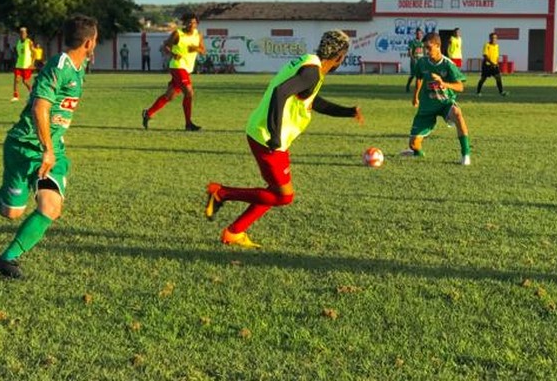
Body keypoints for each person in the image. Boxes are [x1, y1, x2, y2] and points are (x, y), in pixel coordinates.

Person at [0, 15, 99, 279]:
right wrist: (47, 149)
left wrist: (53, 148)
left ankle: (6, 260)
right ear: (90, 42)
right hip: (23, 146)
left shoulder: (79, 68)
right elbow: (40, 106)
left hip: (52, 149)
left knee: (50, 208)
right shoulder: (59, 66)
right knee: (11, 211)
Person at [203, 31, 363, 248]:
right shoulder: (312, 73)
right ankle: (221, 193)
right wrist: (275, 134)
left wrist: (348, 112)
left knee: (275, 191)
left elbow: (313, 101)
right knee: (284, 196)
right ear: (340, 57)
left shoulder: (310, 65)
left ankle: (234, 232)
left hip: (268, 136)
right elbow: (280, 92)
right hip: (267, 138)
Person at [400, 32, 472, 165]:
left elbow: (460, 87)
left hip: (445, 103)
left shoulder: (448, 64)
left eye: (429, 47)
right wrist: (415, 96)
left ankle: (465, 154)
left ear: (438, 46)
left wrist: (443, 83)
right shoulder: (422, 62)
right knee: (413, 144)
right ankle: (416, 152)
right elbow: (419, 78)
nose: (426, 51)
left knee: (457, 113)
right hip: (427, 106)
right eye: (424, 48)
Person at [142, 13, 206, 131]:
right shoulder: (178, 34)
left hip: (187, 68)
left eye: (193, 22)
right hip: (177, 66)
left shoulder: (198, 35)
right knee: (189, 92)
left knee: (169, 96)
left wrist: (196, 48)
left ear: (197, 24)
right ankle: (188, 124)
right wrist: (173, 54)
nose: (191, 24)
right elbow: (165, 47)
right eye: (188, 22)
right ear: (184, 23)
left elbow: (203, 50)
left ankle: (148, 113)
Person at [12, 27, 35, 101]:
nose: (22, 34)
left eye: (24, 33)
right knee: (16, 80)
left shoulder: (29, 42)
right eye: (21, 33)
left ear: (26, 34)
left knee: (25, 81)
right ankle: (15, 96)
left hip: (26, 65)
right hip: (19, 64)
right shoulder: (18, 42)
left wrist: (32, 63)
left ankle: (32, 93)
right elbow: (18, 53)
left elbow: (34, 53)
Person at [405, 28, 425, 93]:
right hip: (415, 60)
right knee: (413, 75)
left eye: (420, 34)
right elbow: (410, 52)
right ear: (415, 34)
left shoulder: (423, 42)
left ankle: (419, 88)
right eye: (417, 34)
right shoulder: (412, 42)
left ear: (422, 34)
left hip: (421, 61)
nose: (419, 35)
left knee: (421, 75)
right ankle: (407, 86)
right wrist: (412, 59)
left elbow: (424, 51)